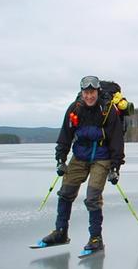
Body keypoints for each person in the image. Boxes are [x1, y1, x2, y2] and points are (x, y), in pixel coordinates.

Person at [39, 76, 125, 251]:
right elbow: (66, 134)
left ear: (98, 91)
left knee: (93, 197)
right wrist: (61, 159)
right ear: (82, 93)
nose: (89, 97)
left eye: (92, 93)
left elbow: (117, 139)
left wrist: (115, 167)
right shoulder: (75, 108)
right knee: (65, 192)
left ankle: (95, 239)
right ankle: (61, 232)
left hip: (102, 156)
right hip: (80, 155)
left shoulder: (108, 110)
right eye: (86, 93)